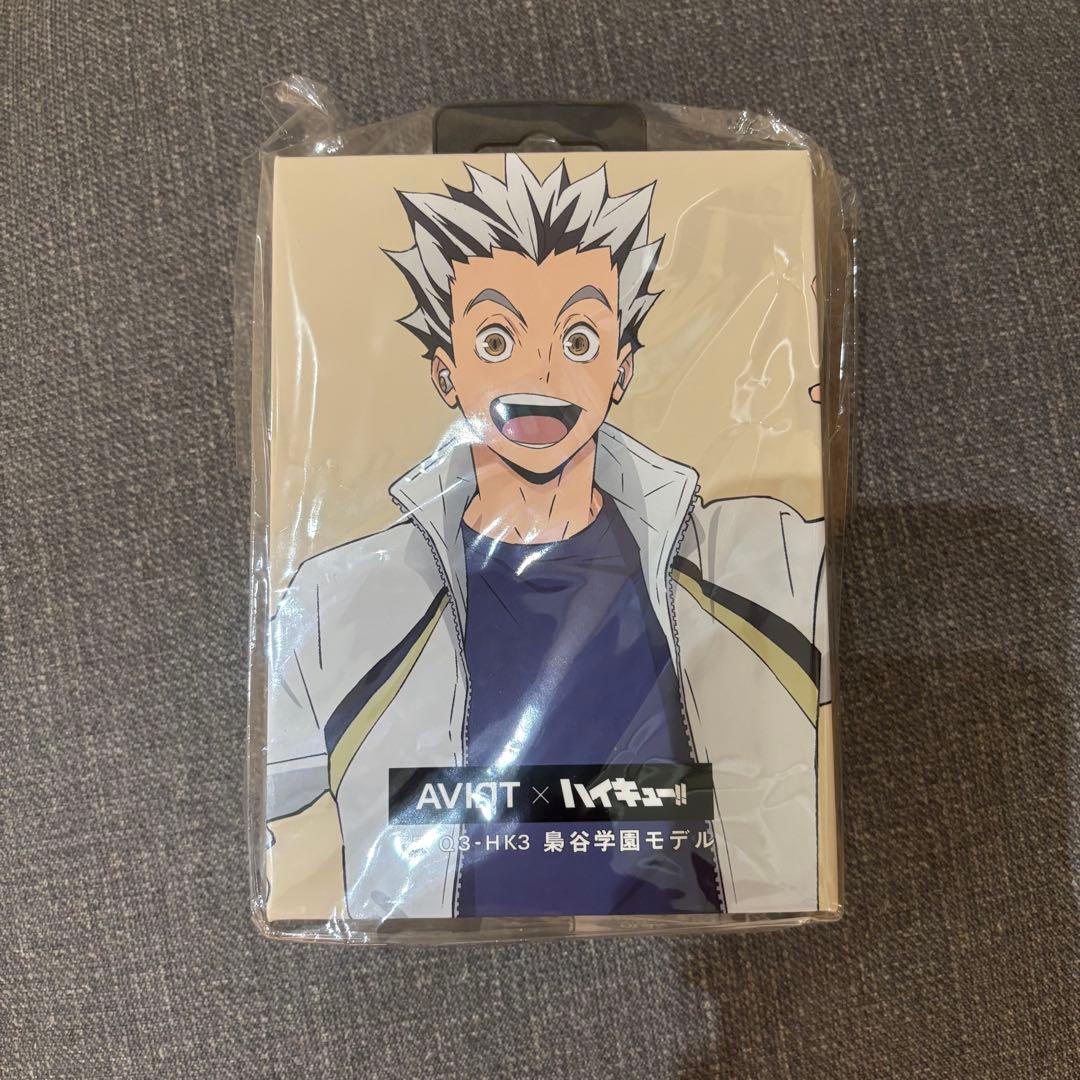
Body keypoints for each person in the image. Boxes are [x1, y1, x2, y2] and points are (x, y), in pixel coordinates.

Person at [265, 154, 829, 920]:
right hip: (435, 969)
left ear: (621, 370)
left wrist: (805, 409)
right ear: (446, 372)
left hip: (719, 953)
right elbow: (257, 802)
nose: (541, 372)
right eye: (496, 340)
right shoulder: (340, 606)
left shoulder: (757, 563)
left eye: (580, 340)